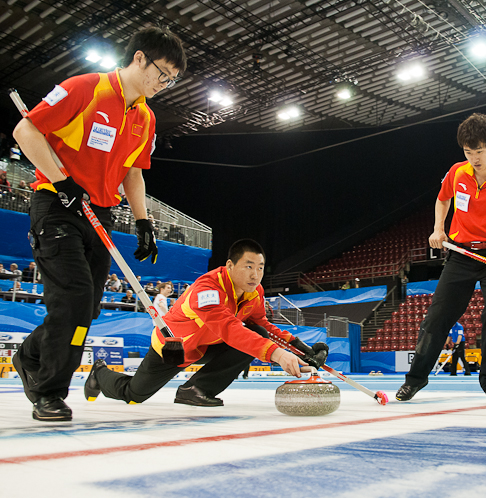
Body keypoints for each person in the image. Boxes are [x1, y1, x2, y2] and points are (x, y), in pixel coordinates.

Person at [11, 26, 187, 422]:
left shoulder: (145, 117)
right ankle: (49, 390)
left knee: (86, 309)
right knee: (72, 297)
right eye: (162, 73)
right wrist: (61, 181)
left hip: (99, 215)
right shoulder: (84, 88)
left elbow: (134, 174)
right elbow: (26, 130)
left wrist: (144, 223)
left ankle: (30, 355)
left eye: (172, 79)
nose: (164, 83)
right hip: (57, 204)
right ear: (139, 57)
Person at [396, 113, 486, 403]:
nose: (474, 158)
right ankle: (414, 380)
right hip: (461, 256)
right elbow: (442, 198)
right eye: (468, 152)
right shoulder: (457, 172)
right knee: (437, 317)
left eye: (479, 151)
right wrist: (438, 228)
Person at [84, 239, 328, 407]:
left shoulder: (255, 291)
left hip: (210, 345)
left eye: (261, 268)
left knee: (259, 332)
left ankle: (196, 389)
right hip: (174, 349)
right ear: (230, 266)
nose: (255, 275)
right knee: (134, 395)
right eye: (249, 267)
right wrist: (278, 355)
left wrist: (301, 349)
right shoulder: (207, 290)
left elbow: (264, 326)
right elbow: (229, 329)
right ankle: (100, 373)